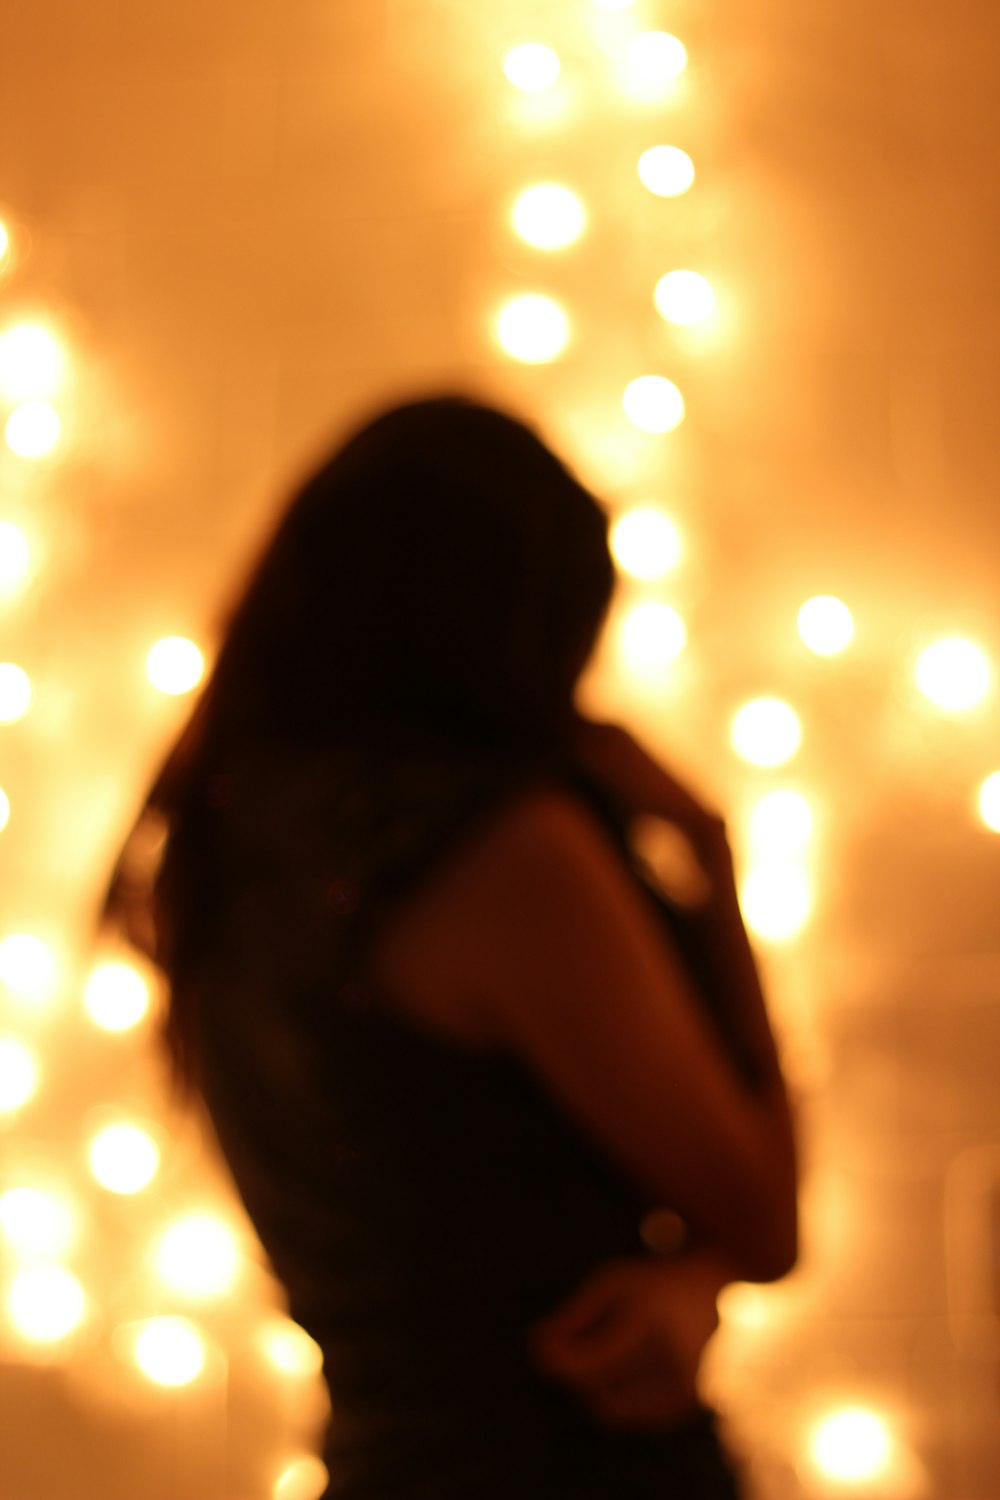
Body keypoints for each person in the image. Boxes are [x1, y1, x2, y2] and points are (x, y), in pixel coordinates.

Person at [104, 394, 798, 1499]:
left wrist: (689, 1275)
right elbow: (763, 1214)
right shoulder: (502, 857)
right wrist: (709, 867)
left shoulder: (215, 852)